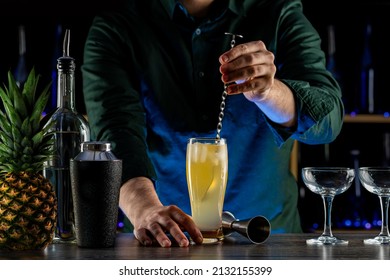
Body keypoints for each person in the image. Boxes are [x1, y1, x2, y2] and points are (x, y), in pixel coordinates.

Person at [82, 0, 344, 247]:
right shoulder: (117, 25)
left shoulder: (278, 12)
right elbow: (117, 133)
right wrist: (145, 209)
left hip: (268, 243)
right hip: (163, 246)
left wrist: (269, 93)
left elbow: (328, 120)